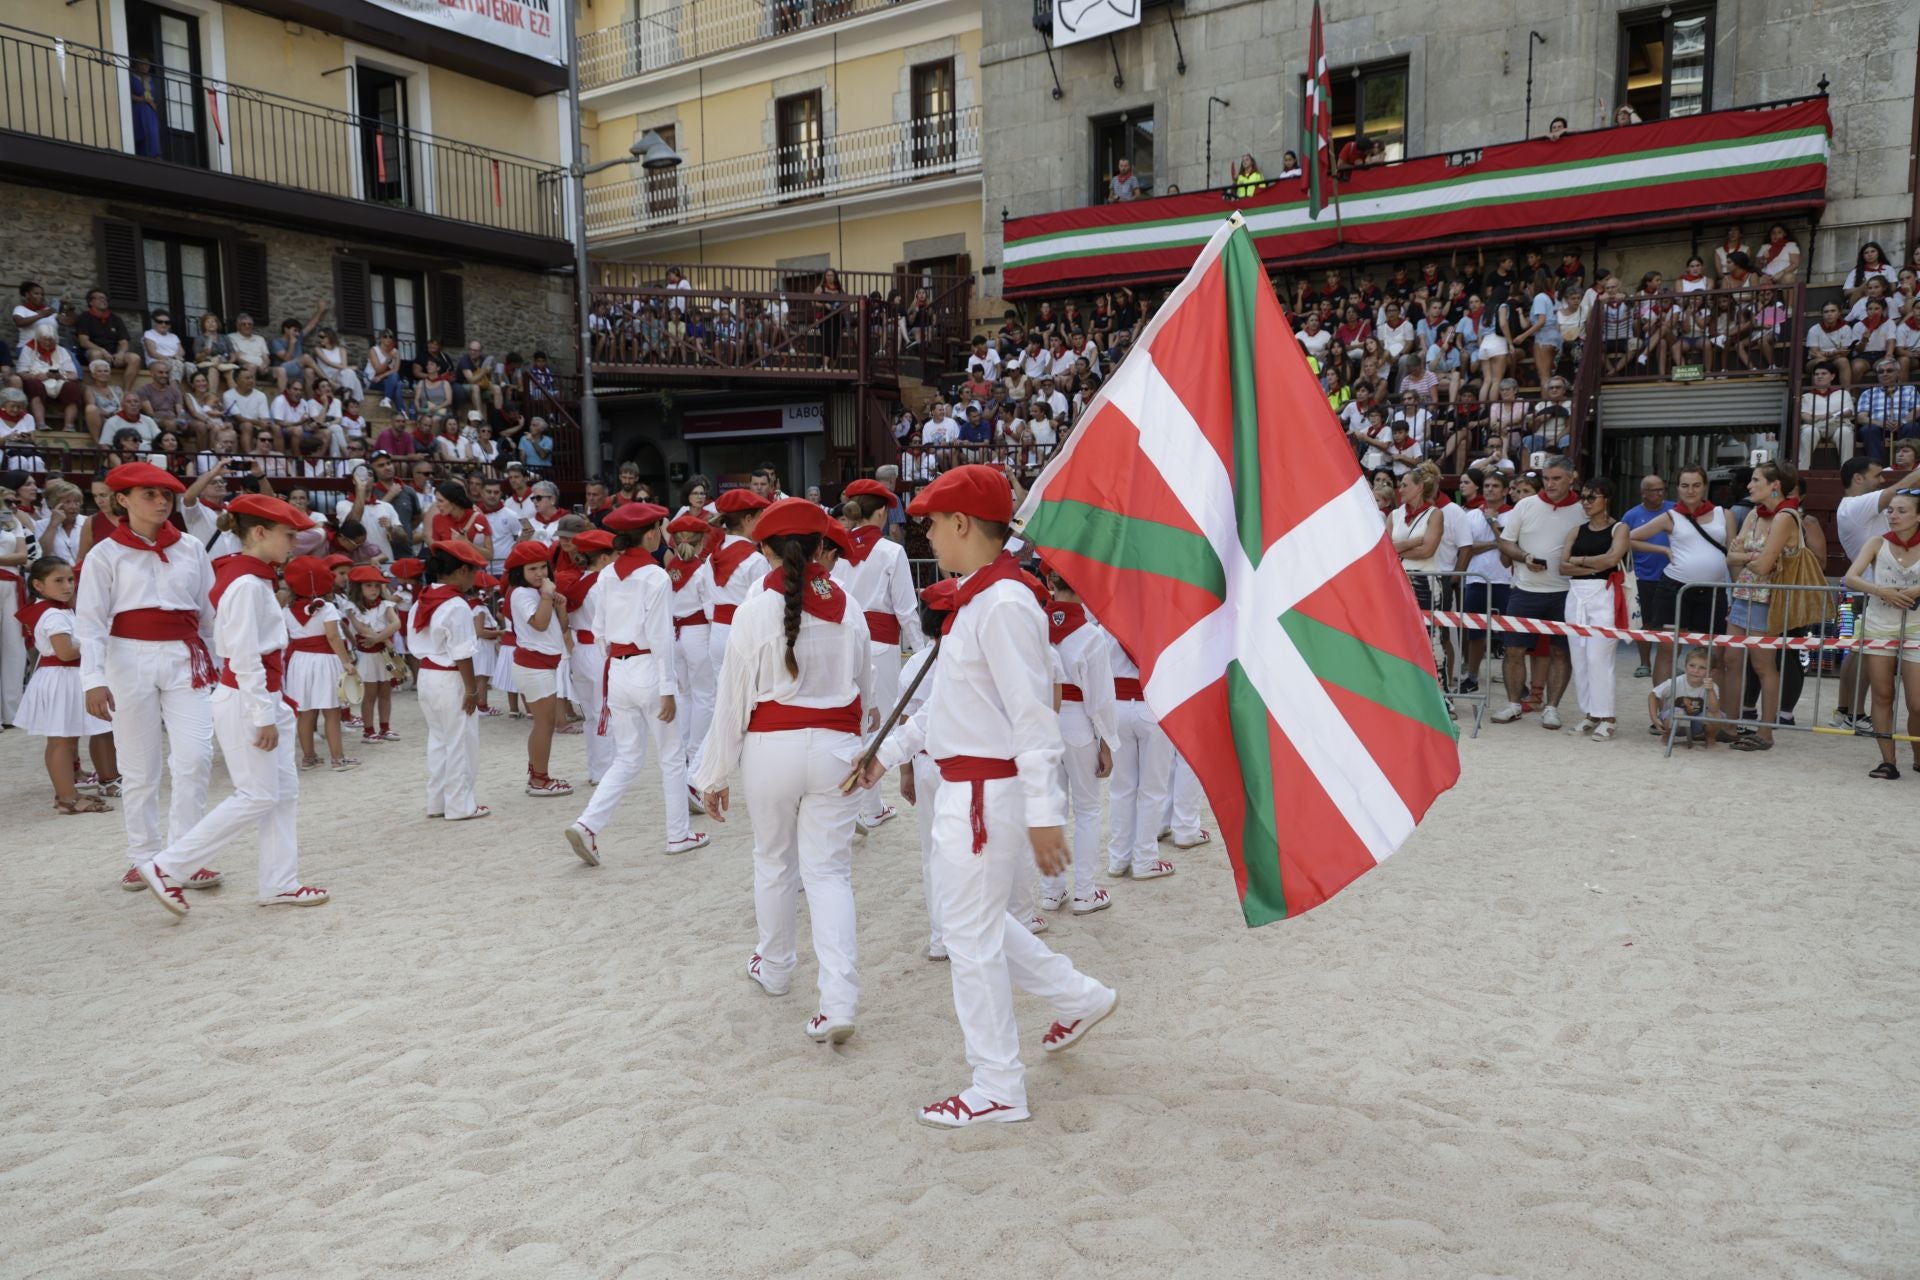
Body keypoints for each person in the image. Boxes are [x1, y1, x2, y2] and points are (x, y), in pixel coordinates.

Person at [858, 465, 1119, 1128]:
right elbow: (951, 706)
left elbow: (1033, 716)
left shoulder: (1002, 604)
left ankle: (998, 1083)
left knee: (968, 937)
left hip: (982, 792)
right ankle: (1077, 995)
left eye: (933, 523)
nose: (928, 535)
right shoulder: (984, 599)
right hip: (971, 787)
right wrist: (884, 755)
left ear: (963, 524)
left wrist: (1043, 813)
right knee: (973, 922)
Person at [690, 498, 865, 1043]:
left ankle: (777, 968)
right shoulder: (850, 606)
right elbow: (868, 688)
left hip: (771, 748)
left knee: (773, 860)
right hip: (837, 745)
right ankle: (838, 1001)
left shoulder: (752, 611)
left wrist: (713, 773)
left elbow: (731, 699)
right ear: (821, 548)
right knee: (829, 873)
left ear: (764, 550)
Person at [132, 493, 330, 917]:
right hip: (247, 696)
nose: (294, 543)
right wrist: (263, 712)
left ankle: (280, 882)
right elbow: (242, 656)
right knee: (257, 794)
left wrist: (270, 706)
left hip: (261, 694)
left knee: (281, 794)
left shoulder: (252, 578)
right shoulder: (244, 583)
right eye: (289, 534)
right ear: (259, 532)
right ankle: (167, 865)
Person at [75, 462, 223, 893]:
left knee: (195, 758)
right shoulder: (104, 553)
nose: (161, 502)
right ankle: (143, 857)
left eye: (167, 495)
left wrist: (224, 665)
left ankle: (186, 856)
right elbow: (90, 622)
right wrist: (92, 679)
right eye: (149, 494)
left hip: (185, 656)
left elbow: (209, 614)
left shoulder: (192, 547)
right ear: (122, 500)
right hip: (127, 659)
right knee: (139, 768)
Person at [565, 503, 708, 864]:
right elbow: (660, 637)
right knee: (672, 757)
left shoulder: (608, 574)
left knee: (627, 757)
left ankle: (587, 824)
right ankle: (678, 835)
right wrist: (666, 687)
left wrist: (615, 665)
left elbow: (599, 631)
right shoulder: (656, 576)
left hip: (617, 668)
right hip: (648, 667)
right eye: (660, 528)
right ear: (650, 533)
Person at [832, 479, 923, 833]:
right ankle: (869, 807)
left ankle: (857, 805)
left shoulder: (837, 549)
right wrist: (922, 653)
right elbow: (906, 609)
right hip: (882, 645)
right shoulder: (890, 551)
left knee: (853, 719)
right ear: (882, 512)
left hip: (846, 642)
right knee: (878, 723)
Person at [1039, 567, 1117, 917]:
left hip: (1043, 720)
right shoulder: (1090, 635)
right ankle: (1084, 891)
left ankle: (1051, 890)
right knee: (1087, 808)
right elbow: (1100, 698)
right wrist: (1106, 741)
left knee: (1051, 808)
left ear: (1050, 584)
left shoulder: (1035, 628)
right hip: (1078, 722)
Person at [15, 556, 118, 813]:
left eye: (70, 579)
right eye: (58, 581)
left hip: (66, 678)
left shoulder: (60, 610)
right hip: (62, 678)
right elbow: (65, 653)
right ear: (38, 585)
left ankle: (73, 792)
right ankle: (67, 799)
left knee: (73, 737)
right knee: (63, 742)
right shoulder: (53, 616)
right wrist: (96, 639)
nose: (68, 586)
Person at [1490, 456, 1586, 727]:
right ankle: (1512, 704)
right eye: (1546, 478)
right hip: (1524, 590)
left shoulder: (1582, 509)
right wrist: (1525, 556)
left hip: (1566, 592)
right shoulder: (1526, 505)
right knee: (1513, 650)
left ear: (1571, 477)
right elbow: (1505, 543)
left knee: (1561, 653)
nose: (1550, 483)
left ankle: (1552, 707)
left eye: (1556, 478)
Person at [1628, 464, 1736, 692]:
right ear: (1677, 488)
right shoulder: (1670, 517)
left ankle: (1711, 713)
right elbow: (1629, 538)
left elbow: (1732, 556)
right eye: (1685, 485)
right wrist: (1663, 551)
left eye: (1696, 485)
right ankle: (1662, 711)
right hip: (1675, 590)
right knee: (1668, 650)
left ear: (1705, 486)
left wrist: (1735, 592)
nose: (1691, 490)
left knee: (1716, 652)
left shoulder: (1724, 515)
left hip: (1714, 592)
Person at [1722, 460, 1803, 750]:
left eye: (1756, 480)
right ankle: (1730, 726)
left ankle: (1766, 732)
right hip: (1745, 594)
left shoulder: (1786, 516)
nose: (1749, 485)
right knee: (1731, 660)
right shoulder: (1756, 514)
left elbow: (1762, 563)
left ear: (1775, 486)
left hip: (1768, 600)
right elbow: (1732, 557)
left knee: (1763, 664)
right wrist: (1752, 558)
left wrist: (1746, 556)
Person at [1843, 489, 1920, 777]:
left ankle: (1917, 754)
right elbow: (1851, 576)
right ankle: (1888, 761)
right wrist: (1879, 590)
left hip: (1917, 626)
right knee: (1882, 694)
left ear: (1918, 516)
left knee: (1917, 702)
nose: (1893, 515)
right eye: (1890, 510)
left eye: (1901, 511)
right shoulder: (1877, 542)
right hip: (1880, 624)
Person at [414, 539, 490, 820]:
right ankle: (460, 805)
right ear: (460, 572)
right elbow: (462, 653)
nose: (474, 577)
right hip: (450, 677)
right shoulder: (456, 605)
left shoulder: (424, 597)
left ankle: (438, 802)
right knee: (460, 741)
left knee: (439, 740)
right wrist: (471, 690)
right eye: (472, 571)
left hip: (428, 675)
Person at [1559, 479, 1630, 739]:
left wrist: (1581, 561)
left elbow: (1612, 559)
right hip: (1576, 593)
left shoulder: (1619, 528)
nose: (1586, 502)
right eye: (1584, 497)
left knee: (1598, 656)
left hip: (1604, 593)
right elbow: (1562, 566)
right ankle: (1590, 713)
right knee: (1579, 656)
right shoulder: (1576, 531)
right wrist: (1592, 564)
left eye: (1592, 497)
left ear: (1606, 499)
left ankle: (1607, 716)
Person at [502, 540, 571, 796]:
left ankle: (537, 774)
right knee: (544, 723)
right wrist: (546, 595)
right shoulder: (521, 593)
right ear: (520, 572)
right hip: (534, 666)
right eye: (533, 569)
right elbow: (540, 625)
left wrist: (559, 605)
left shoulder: (537, 592)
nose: (540, 573)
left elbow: (559, 628)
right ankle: (540, 780)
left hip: (542, 665)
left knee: (544, 723)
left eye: (543, 567)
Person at [280, 556, 359, 773]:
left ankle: (309, 757)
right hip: (325, 661)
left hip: (299, 662)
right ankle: (337, 758)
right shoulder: (327, 608)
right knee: (331, 712)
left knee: (305, 712)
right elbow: (333, 638)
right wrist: (347, 662)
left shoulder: (287, 609)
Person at [665, 512, 716, 797]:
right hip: (697, 633)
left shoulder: (670, 568)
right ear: (702, 540)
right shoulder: (702, 569)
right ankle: (696, 755)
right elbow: (709, 609)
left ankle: (684, 748)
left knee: (685, 695)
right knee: (705, 696)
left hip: (675, 634)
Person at [700, 488, 772, 685]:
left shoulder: (710, 557)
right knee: (748, 700)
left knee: (722, 698)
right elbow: (764, 605)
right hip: (745, 634)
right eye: (760, 517)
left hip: (718, 633)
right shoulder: (756, 560)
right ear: (748, 519)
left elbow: (707, 600)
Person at [561, 528, 616, 785]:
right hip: (600, 651)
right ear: (603, 558)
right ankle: (606, 771)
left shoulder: (575, 583)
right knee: (604, 713)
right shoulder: (603, 585)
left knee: (591, 715)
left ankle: (596, 769)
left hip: (580, 652)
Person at [1620, 474, 1675, 678]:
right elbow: (1622, 542)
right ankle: (1645, 663)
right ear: (1644, 493)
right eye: (1655, 490)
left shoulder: (1674, 510)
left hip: (1671, 576)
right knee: (1645, 623)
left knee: (1670, 623)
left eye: (1662, 489)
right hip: (1643, 577)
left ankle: (1668, 662)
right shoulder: (1631, 516)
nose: (1660, 493)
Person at [343, 566, 399, 745]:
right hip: (366, 656)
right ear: (358, 587)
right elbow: (360, 628)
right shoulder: (352, 607)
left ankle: (385, 727)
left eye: (376, 585)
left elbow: (396, 623)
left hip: (384, 656)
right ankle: (368, 731)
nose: (374, 589)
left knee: (385, 693)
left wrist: (379, 639)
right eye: (368, 585)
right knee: (369, 695)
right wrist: (384, 639)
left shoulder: (386, 605)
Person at [1647, 647, 1721, 747]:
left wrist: (1711, 691)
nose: (1696, 670)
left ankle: (1710, 738)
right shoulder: (1676, 681)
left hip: (1697, 722)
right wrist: (1654, 717)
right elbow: (1653, 695)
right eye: (1692, 665)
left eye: (1702, 668)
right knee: (1678, 712)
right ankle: (1667, 736)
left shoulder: (1712, 686)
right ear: (1685, 666)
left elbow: (1714, 710)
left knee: (1716, 716)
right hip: (1673, 721)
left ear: (1712, 672)